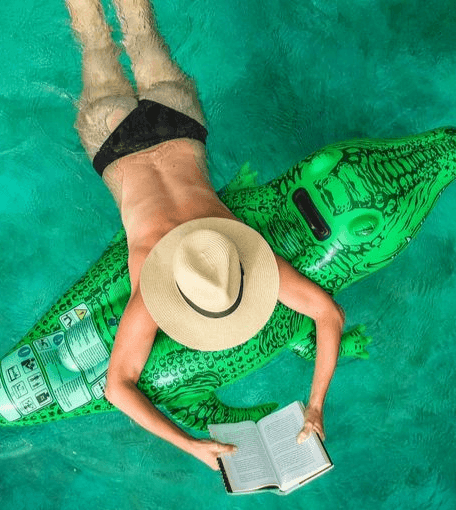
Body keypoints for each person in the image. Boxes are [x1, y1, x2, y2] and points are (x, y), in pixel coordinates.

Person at [65, 0, 345, 471]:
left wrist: (317, 406)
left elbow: (328, 314)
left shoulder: (239, 253)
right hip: (114, 142)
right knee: (95, 36)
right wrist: (190, 444)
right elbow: (117, 387)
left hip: (177, 122)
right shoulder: (166, 290)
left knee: (137, 27)